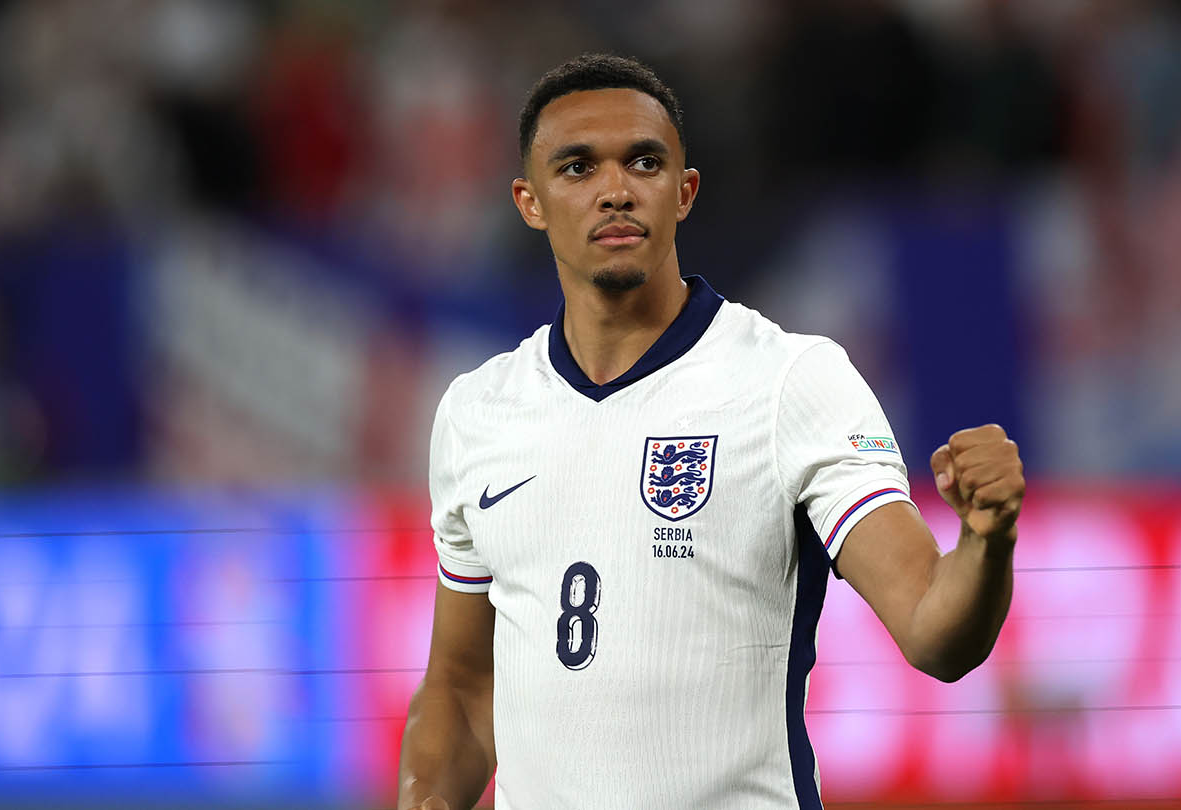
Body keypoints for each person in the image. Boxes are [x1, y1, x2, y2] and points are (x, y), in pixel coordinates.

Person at [397, 53, 1024, 810]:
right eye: (577, 168)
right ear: (529, 202)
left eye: (644, 162)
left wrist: (988, 541)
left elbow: (934, 632)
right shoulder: (478, 411)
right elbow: (464, 689)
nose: (616, 190)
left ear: (684, 191)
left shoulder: (791, 382)